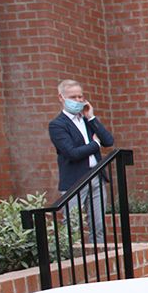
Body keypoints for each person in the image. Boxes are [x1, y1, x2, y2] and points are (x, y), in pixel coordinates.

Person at [49, 79, 114, 244]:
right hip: (74, 181)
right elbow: (72, 153)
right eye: (73, 97)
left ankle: (98, 261)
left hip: (96, 178)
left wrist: (91, 117)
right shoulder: (57, 125)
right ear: (61, 98)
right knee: (72, 228)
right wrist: (95, 144)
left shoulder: (86, 120)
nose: (78, 100)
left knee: (98, 226)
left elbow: (108, 141)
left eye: (80, 96)